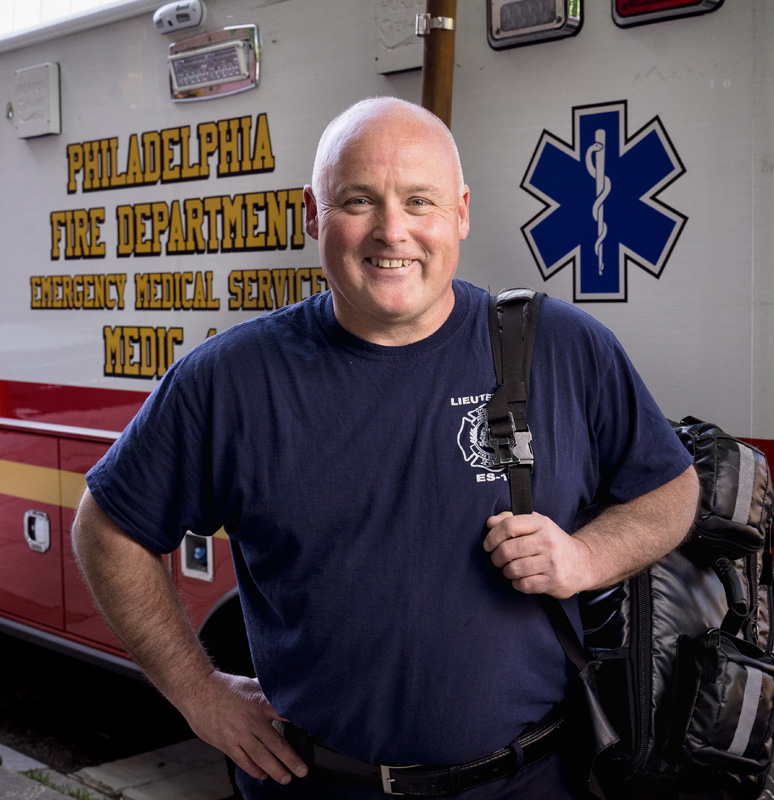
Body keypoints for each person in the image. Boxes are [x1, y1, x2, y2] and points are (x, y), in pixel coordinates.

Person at [72, 96, 699, 799]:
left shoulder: (562, 349)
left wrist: (587, 556)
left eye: (419, 201)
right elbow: (106, 528)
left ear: (460, 212)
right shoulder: (230, 380)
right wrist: (196, 691)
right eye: (358, 201)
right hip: (318, 787)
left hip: (531, 781)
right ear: (313, 215)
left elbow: (671, 490)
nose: (392, 231)